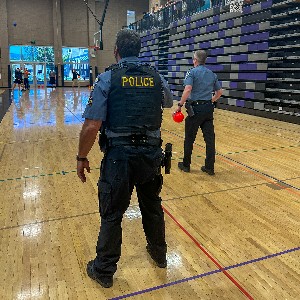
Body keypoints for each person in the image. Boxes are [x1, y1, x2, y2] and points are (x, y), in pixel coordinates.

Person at [76, 29, 173, 288]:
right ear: (138, 51)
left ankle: (104, 270)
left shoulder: (108, 79)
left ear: (117, 51)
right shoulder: (156, 76)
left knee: (112, 213)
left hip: (119, 156)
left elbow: (92, 125)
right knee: (152, 205)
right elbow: (168, 102)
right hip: (151, 155)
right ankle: (160, 253)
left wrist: (81, 157)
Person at [175, 50, 223, 175]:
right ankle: (209, 167)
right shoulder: (212, 74)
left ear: (195, 60)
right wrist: (210, 101)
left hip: (195, 110)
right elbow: (219, 92)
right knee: (210, 139)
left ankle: (186, 165)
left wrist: (180, 105)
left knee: (189, 138)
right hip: (208, 109)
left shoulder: (192, 72)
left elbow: (188, 89)